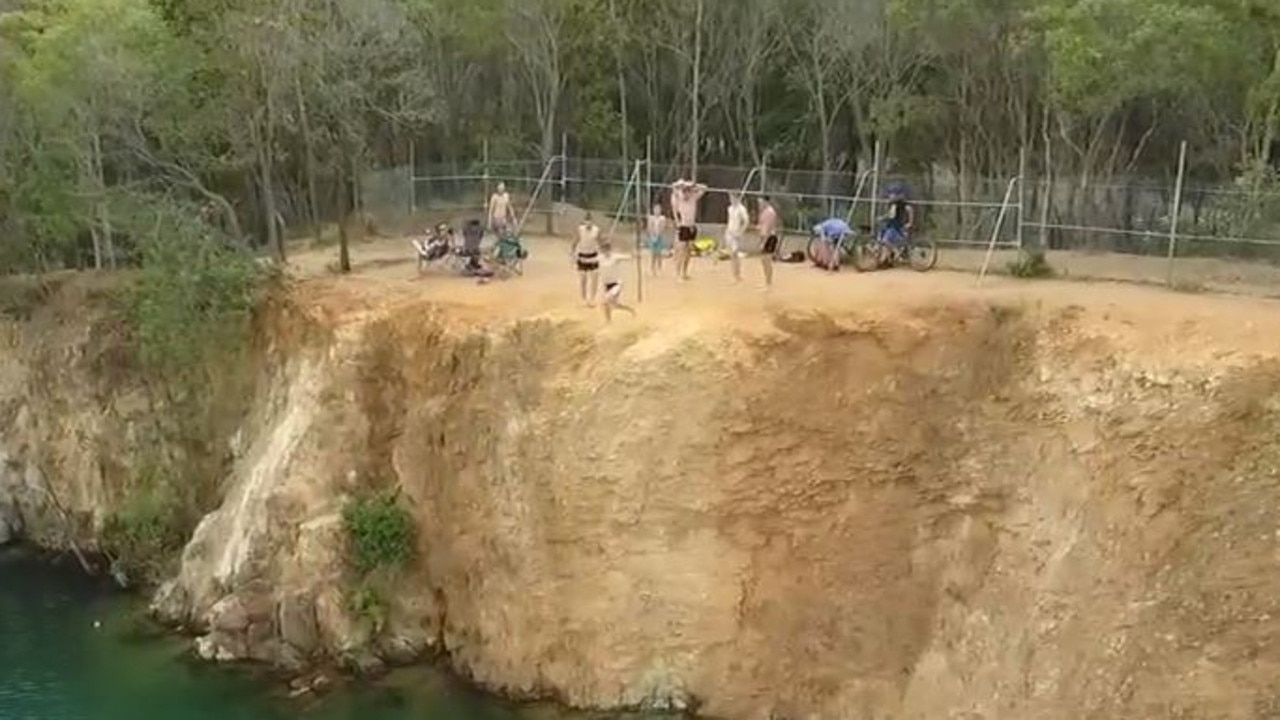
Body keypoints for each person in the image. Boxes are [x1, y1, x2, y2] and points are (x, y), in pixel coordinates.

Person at [671, 178, 707, 281]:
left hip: (692, 226)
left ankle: (684, 272)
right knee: (681, 250)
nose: (686, 194)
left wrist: (693, 185)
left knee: (689, 251)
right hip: (683, 226)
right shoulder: (680, 198)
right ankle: (678, 273)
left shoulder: (693, 198)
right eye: (684, 191)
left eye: (688, 191)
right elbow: (674, 186)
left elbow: (704, 188)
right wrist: (682, 183)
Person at [598, 245, 636, 323]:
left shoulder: (615, 257)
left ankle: (608, 321)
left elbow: (627, 257)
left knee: (606, 301)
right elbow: (589, 260)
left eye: (607, 250)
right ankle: (629, 310)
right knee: (613, 305)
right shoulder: (600, 258)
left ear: (609, 250)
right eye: (604, 250)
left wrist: (633, 255)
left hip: (616, 284)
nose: (605, 252)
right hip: (606, 285)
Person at [571, 212, 602, 305]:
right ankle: (584, 298)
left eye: (590, 221)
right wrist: (572, 252)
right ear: (584, 222)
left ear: (592, 222)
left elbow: (600, 242)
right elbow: (575, 241)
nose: (588, 223)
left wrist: (603, 252)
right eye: (587, 221)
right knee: (583, 279)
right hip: (582, 256)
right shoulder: (580, 230)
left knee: (594, 278)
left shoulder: (597, 230)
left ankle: (592, 298)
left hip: (593, 256)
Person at [723, 192, 750, 283]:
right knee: (732, 255)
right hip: (729, 232)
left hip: (736, 234)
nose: (731, 199)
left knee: (735, 254)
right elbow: (729, 221)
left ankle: (737, 275)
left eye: (732, 197)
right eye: (730, 198)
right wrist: (726, 231)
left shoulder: (741, 209)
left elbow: (746, 222)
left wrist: (740, 232)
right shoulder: (730, 209)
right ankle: (734, 274)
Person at [880, 185, 915, 253]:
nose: (889, 196)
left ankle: (893, 253)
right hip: (899, 226)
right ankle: (894, 253)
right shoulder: (902, 204)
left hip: (893, 226)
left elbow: (891, 215)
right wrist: (910, 222)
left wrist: (883, 218)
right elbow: (910, 210)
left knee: (885, 241)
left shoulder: (894, 204)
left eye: (891, 194)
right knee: (892, 241)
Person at [756, 196, 780, 289]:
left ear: (766, 202)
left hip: (769, 238)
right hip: (766, 237)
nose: (759, 205)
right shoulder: (764, 212)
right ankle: (767, 282)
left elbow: (767, 229)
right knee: (764, 261)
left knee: (766, 261)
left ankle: (768, 283)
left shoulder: (769, 213)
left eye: (761, 202)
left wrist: (763, 242)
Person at [646, 203, 669, 276]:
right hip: (652, 237)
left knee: (659, 253)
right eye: (656, 209)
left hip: (659, 237)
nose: (657, 211)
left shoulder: (662, 218)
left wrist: (658, 235)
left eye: (658, 209)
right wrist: (652, 235)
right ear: (653, 210)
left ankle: (659, 268)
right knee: (653, 254)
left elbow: (662, 227)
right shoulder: (651, 218)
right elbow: (649, 227)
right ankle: (652, 268)